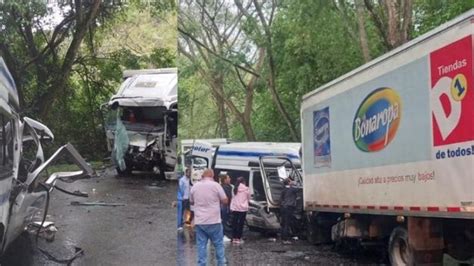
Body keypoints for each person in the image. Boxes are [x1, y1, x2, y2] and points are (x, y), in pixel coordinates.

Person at [190, 169, 228, 266]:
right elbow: (225, 200)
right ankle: (221, 264)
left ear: (203, 175)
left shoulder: (195, 186)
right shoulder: (216, 185)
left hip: (200, 222)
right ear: (212, 175)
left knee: (201, 246)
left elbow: (191, 201)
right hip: (214, 220)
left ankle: (201, 264)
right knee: (218, 244)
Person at [230, 176, 250, 244]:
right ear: (244, 182)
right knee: (240, 224)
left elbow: (232, 198)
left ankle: (234, 238)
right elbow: (248, 198)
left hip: (235, 208)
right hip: (243, 209)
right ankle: (238, 238)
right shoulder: (246, 189)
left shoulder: (234, 189)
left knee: (234, 223)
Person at [280, 178, 298, 244]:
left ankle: (283, 238)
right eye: (290, 181)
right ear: (288, 183)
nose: (291, 181)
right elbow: (299, 188)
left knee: (283, 223)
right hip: (289, 208)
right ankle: (285, 240)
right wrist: (294, 183)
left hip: (283, 207)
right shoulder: (292, 189)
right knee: (287, 224)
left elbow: (281, 199)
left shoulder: (283, 190)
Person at [220, 174, 232, 241]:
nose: (230, 179)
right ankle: (223, 235)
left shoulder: (223, 186)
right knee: (224, 221)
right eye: (228, 178)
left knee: (223, 221)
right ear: (225, 180)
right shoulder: (226, 187)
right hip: (224, 206)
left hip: (223, 206)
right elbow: (227, 197)